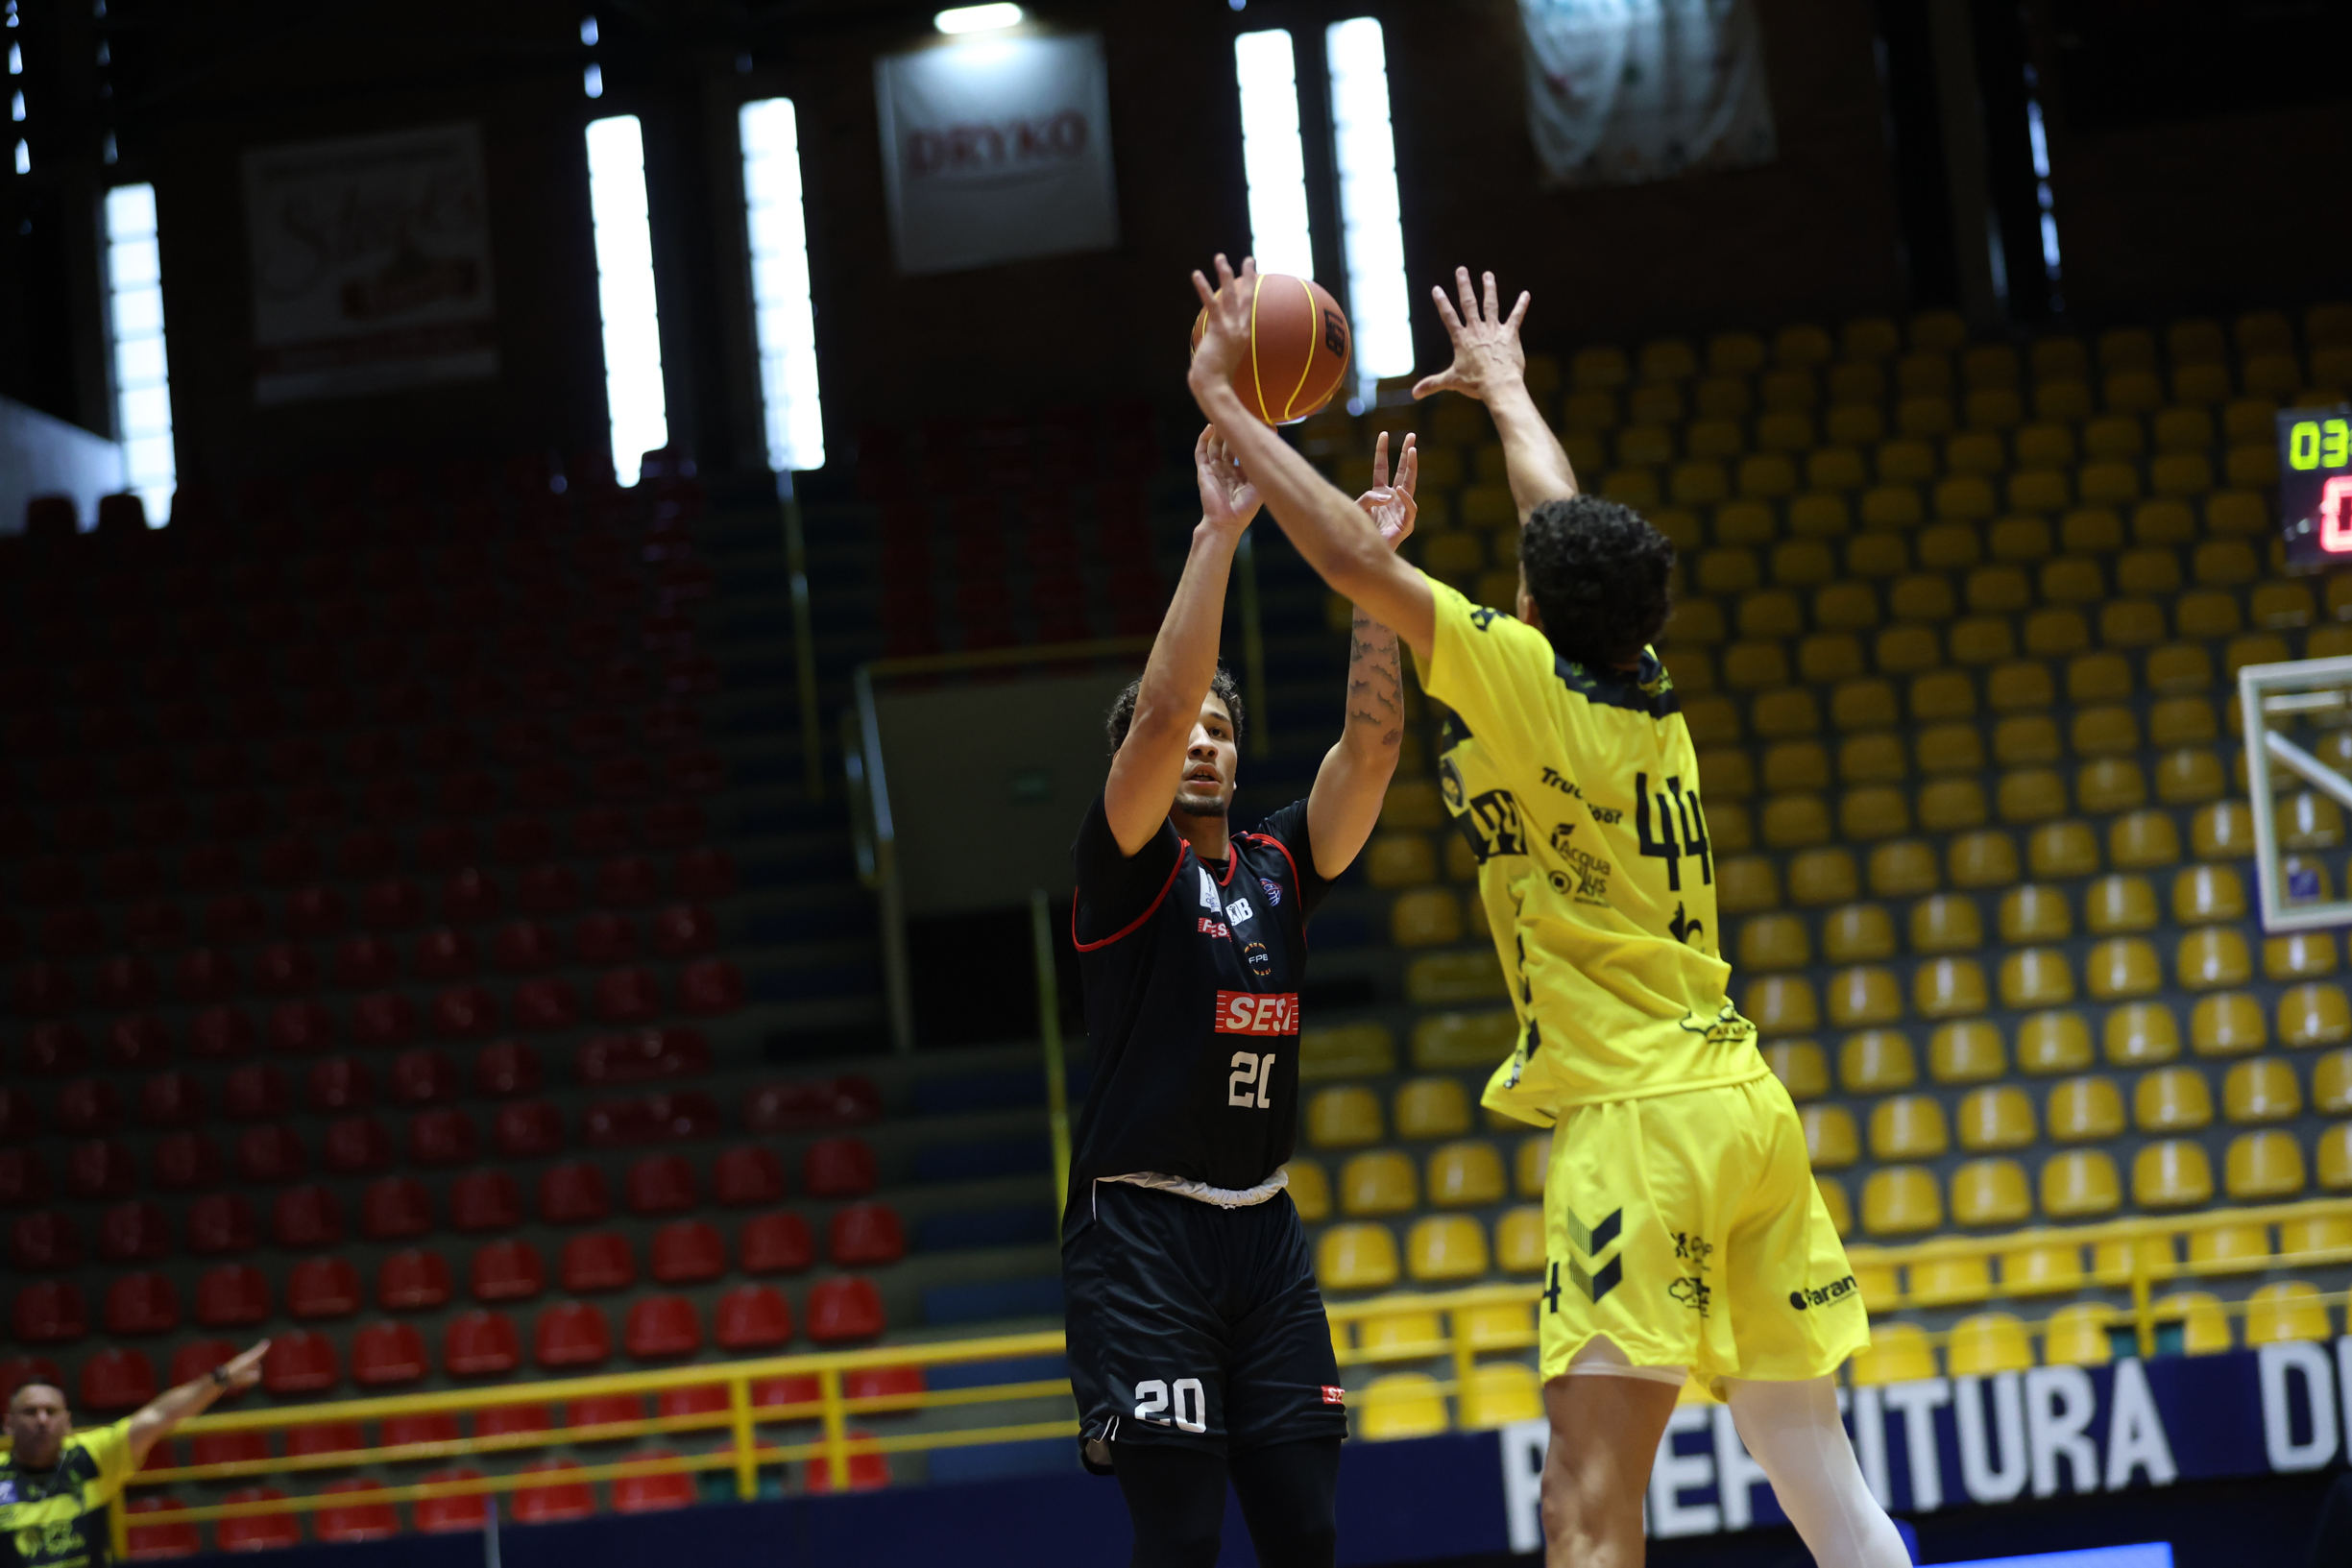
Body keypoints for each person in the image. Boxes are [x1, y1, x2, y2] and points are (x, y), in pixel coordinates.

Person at [1186, 256, 1908, 1568]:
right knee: (1819, 1474)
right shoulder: (1644, 682)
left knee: (1582, 1500)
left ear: (1528, 612)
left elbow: (1351, 556)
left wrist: (1226, 402)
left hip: (1637, 1125)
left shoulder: (1522, 677)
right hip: (1743, 1106)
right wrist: (1508, 392)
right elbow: (1561, 520)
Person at [1062, 423, 1416, 1568]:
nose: (1201, 743)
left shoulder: (1275, 866)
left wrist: (1375, 569)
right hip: (1144, 1229)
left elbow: (1371, 749)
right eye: (1186, 734)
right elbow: (1161, 714)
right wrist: (1218, 533)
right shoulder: (1125, 866)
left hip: (1263, 1232)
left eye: (1222, 731)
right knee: (1180, 1538)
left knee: (1306, 1527)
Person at [3, 1340, 271, 1568]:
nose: (42, 1420)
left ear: (67, 1423)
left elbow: (160, 1415)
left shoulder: (93, 1456)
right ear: (9, 1424)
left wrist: (222, 1377)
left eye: (51, 1411)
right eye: (30, 1412)